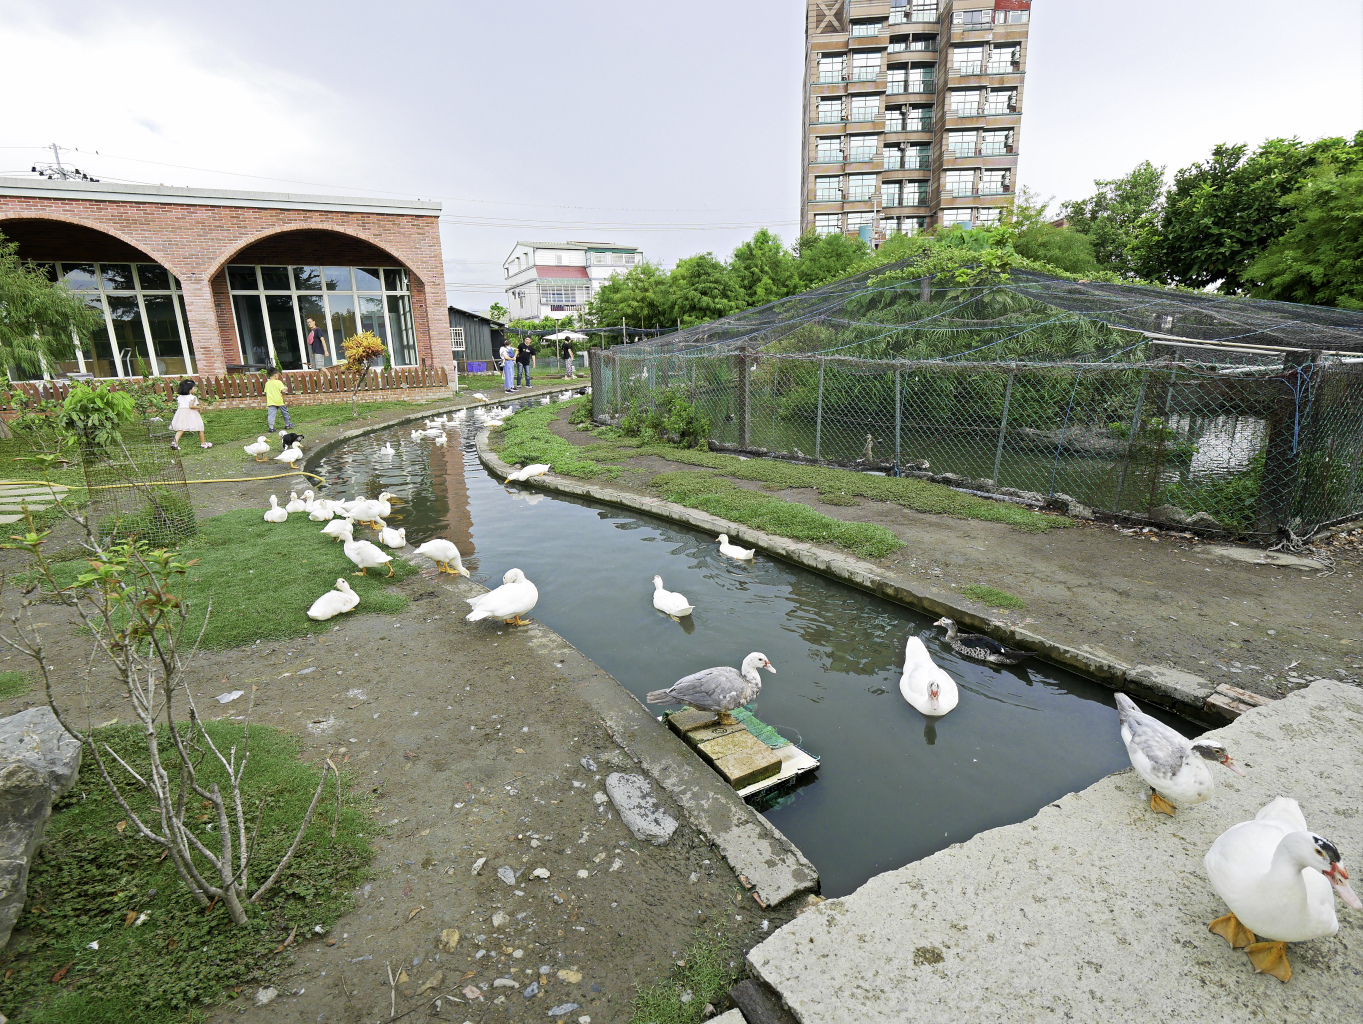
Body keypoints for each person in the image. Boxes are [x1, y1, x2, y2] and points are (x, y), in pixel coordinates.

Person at [169, 379, 211, 450]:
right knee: (200, 427)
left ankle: (174, 442)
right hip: (191, 413)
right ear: (189, 389)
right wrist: (199, 407)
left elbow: (179, 406)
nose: (195, 389)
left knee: (181, 428)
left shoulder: (179, 397)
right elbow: (191, 406)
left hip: (181, 413)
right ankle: (203, 443)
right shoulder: (192, 397)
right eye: (194, 388)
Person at [264, 368, 293, 432]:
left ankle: (271, 427)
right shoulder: (278, 382)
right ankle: (287, 424)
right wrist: (286, 388)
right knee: (285, 413)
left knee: (271, 415)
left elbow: (266, 392)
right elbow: (283, 390)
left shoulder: (267, 383)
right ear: (275, 375)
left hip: (271, 401)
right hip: (279, 401)